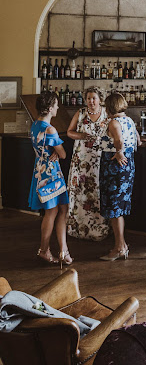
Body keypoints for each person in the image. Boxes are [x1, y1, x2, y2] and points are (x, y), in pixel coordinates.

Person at [28, 91, 73, 267]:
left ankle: (62, 250)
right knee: (55, 211)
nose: (57, 107)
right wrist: (56, 151)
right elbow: (62, 154)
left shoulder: (35, 125)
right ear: (49, 107)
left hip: (40, 173)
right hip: (52, 175)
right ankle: (45, 250)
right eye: (55, 104)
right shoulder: (50, 129)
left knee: (58, 210)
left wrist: (53, 151)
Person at [98, 92, 141, 260]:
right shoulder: (129, 120)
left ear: (109, 107)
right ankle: (121, 245)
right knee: (119, 207)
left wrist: (119, 152)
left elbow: (119, 141)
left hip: (114, 167)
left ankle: (119, 247)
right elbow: (137, 140)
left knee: (115, 208)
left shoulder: (114, 122)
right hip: (127, 167)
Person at [67, 87, 110, 240]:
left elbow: (118, 130)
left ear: (100, 99)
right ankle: (76, 228)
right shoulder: (80, 113)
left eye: (94, 98)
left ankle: (98, 230)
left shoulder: (107, 113)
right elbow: (69, 132)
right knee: (80, 192)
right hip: (81, 160)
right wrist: (81, 135)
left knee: (97, 192)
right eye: (89, 98)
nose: (91, 101)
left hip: (99, 160)